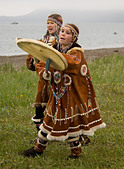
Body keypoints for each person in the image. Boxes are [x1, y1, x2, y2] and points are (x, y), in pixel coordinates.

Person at [23, 23, 106, 158]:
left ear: (73, 38)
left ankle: (73, 152)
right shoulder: (54, 49)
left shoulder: (76, 52)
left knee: (70, 121)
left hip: (71, 94)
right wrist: (44, 72)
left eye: (67, 33)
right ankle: (39, 148)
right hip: (56, 93)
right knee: (49, 118)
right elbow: (41, 64)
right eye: (62, 31)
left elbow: (69, 63)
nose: (62, 34)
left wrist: (53, 59)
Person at [26, 14, 63, 131]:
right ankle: (40, 136)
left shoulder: (62, 41)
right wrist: (32, 60)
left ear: (58, 26)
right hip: (43, 81)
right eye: (48, 23)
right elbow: (32, 56)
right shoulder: (42, 41)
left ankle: (56, 133)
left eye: (52, 23)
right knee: (39, 109)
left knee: (57, 108)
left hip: (56, 81)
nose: (49, 25)